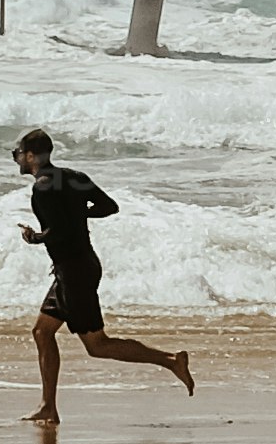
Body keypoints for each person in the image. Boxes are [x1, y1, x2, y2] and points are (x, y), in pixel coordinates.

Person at [11, 128, 193, 421]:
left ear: (31, 156)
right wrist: (77, 214)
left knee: (97, 345)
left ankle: (171, 360)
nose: (16, 159)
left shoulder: (42, 187)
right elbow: (109, 207)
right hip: (79, 267)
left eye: (17, 153)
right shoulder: (74, 177)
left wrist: (36, 238)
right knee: (42, 332)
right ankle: (48, 407)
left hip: (74, 272)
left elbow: (58, 232)